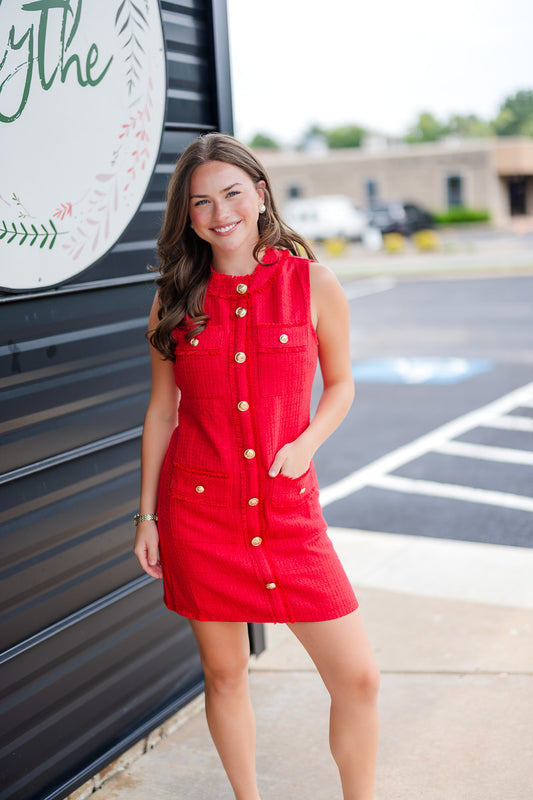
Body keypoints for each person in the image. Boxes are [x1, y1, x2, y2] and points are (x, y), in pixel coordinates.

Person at [133, 133, 380, 800]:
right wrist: (147, 515)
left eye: (232, 194)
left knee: (357, 678)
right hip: (198, 514)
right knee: (226, 673)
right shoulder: (175, 298)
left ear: (260, 193)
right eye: (201, 203)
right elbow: (162, 412)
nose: (220, 214)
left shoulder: (312, 285)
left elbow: (341, 385)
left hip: (287, 511)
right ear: (186, 216)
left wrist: (305, 444)